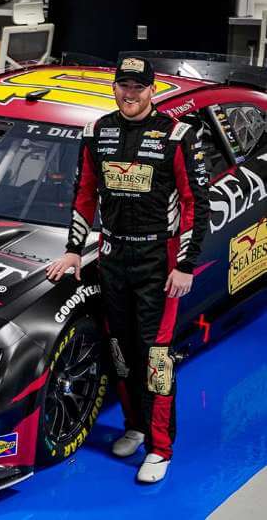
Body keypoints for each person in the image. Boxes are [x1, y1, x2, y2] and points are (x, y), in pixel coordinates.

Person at [46, 56, 209, 483]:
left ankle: (160, 448)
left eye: (138, 87)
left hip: (159, 261)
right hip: (113, 257)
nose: (130, 94)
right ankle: (135, 427)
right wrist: (73, 251)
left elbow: (195, 204)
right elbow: (84, 193)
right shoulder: (97, 132)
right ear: (115, 87)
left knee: (156, 357)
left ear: (152, 90)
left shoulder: (176, 135)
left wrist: (186, 264)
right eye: (124, 85)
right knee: (120, 351)